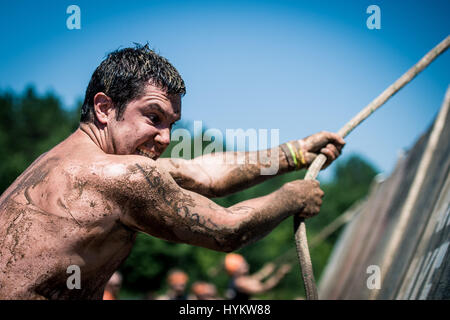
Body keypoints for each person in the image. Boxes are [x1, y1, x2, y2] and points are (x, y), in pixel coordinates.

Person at [0, 44, 345, 299]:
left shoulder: (66, 164)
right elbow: (228, 231)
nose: (165, 138)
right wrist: (293, 196)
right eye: (153, 117)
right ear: (104, 108)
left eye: (171, 124)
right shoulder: (121, 175)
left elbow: (204, 173)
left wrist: (294, 153)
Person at [224, 253, 291, 300]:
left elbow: (255, 278)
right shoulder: (240, 283)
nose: (245, 264)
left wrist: (266, 271)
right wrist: (279, 275)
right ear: (236, 270)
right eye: (242, 264)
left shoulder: (237, 280)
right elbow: (264, 288)